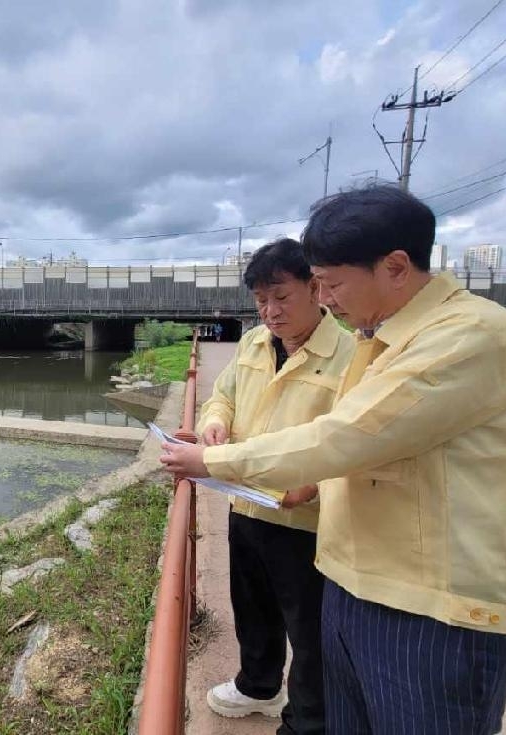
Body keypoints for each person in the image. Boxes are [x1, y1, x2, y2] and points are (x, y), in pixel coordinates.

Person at [161, 185, 506, 734]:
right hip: (351, 577)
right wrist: (218, 434)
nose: (327, 298)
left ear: (395, 267)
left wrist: (213, 463)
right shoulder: (379, 335)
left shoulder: (468, 337)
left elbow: (345, 437)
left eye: (331, 284)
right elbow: (238, 400)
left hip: (429, 608)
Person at [201, 238, 354, 734]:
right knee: (252, 605)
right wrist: (214, 426)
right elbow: (221, 398)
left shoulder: (350, 356)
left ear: (315, 288)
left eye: (281, 297)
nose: (271, 311)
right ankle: (258, 686)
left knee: (309, 630)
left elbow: (360, 445)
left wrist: (316, 485)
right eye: (261, 301)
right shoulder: (251, 344)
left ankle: (307, 722)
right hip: (246, 505)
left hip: (304, 521)